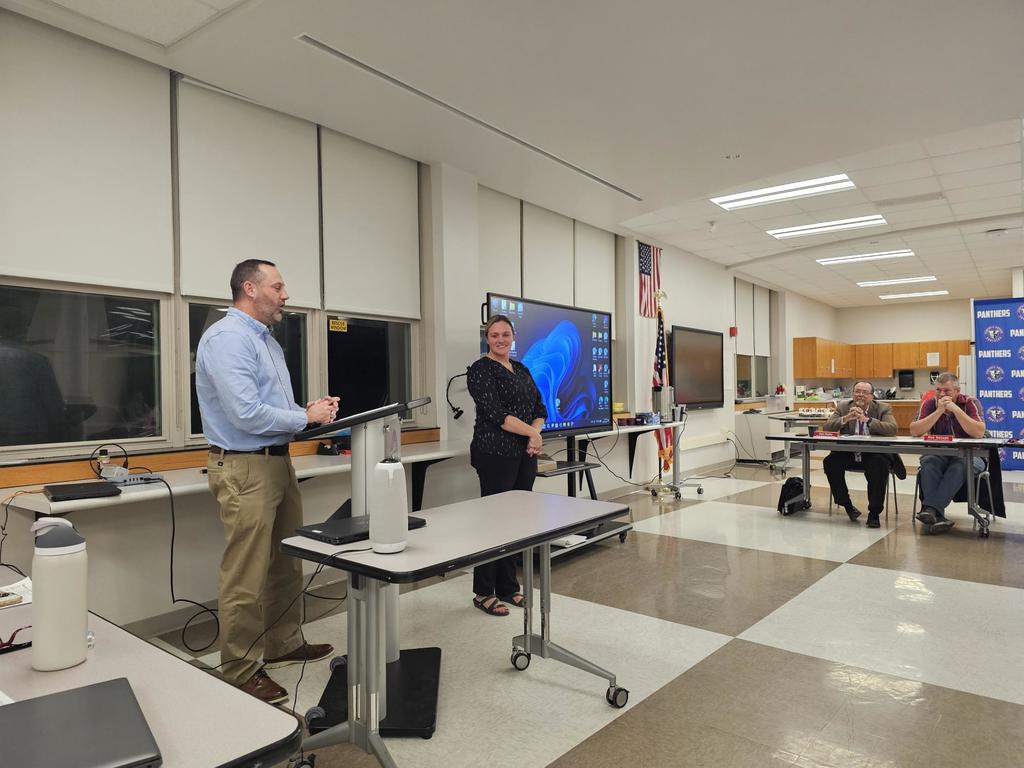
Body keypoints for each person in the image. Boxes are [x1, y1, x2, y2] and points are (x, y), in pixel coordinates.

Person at [196, 259, 339, 703]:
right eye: (278, 286)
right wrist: (303, 416)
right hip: (243, 467)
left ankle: (283, 642)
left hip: (277, 461)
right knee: (246, 572)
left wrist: (306, 411)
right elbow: (243, 413)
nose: (285, 294)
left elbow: (270, 407)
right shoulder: (227, 338)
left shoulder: (267, 343)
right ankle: (240, 668)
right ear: (249, 289)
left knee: (286, 560)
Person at [465, 314, 547, 616]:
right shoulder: (480, 370)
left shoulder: (522, 368)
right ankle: (483, 591)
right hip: (494, 454)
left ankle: (509, 587)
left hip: (525, 453)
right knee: (494, 521)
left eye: (505, 334)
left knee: (517, 522)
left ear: (513, 336)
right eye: (494, 335)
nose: (500, 339)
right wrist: (533, 433)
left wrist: (533, 434)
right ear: (487, 338)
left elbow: (540, 408)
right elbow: (497, 415)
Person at [909, 372, 986, 533]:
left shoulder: (970, 403)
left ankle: (930, 510)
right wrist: (938, 412)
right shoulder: (930, 404)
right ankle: (939, 517)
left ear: (957, 391)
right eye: (938, 390)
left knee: (960, 465)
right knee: (928, 461)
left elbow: (978, 432)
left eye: (947, 391)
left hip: (972, 454)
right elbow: (915, 430)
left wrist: (956, 410)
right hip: (940, 453)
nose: (942, 394)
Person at [821, 381, 898, 528]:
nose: (860, 395)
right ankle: (847, 506)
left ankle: (874, 513)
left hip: (873, 453)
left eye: (864, 392)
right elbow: (826, 427)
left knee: (879, 465)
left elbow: (892, 429)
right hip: (849, 453)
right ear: (853, 394)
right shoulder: (843, 406)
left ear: (871, 396)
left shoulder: (883, 408)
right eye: (857, 391)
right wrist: (845, 419)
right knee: (830, 462)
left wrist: (867, 420)